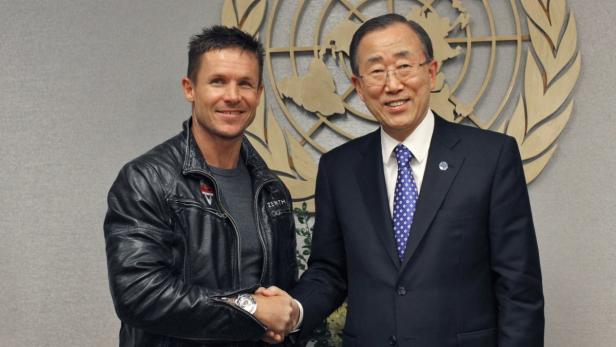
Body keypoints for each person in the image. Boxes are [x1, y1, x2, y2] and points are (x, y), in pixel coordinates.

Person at [261, 13, 544, 346]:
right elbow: (330, 272)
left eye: (404, 66)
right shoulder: (339, 168)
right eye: (377, 71)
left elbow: (518, 289)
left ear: (431, 72)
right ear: (359, 86)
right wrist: (294, 310)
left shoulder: (490, 157)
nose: (392, 84)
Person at [103, 25, 300, 347]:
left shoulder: (272, 190)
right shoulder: (145, 179)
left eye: (245, 84)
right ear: (190, 88)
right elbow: (139, 294)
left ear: (259, 94)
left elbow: (280, 298)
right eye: (218, 81)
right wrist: (251, 309)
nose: (233, 96)